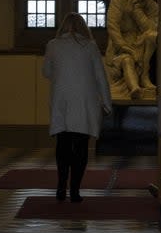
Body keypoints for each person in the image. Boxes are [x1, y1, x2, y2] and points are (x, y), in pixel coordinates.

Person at [42, 13, 112, 202]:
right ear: (83, 27)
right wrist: (107, 102)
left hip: (61, 100)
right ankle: (75, 190)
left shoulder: (53, 45)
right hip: (85, 102)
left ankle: (60, 187)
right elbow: (100, 77)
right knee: (81, 146)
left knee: (62, 145)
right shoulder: (90, 46)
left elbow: (46, 72)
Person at [105, 0, 159, 100]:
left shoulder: (152, 6)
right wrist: (123, 46)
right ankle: (135, 88)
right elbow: (112, 25)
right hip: (121, 43)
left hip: (141, 42)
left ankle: (144, 74)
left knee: (152, 35)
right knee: (127, 59)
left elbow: (150, 28)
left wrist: (136, 12)